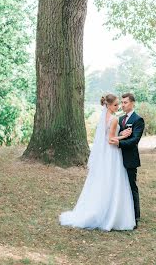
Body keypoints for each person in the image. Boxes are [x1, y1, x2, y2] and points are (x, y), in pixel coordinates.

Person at [59, 93, 136, 231]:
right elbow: (111, 140)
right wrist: (123, 135)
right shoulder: (113, 119)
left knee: (103, 180)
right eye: (115, 105)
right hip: (112, 154)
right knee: (113, 180)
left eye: (118, 104)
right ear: (108, 105)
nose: (118, 107)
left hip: (104, 154)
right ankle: (111, 214)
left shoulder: (104, 118)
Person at [109, 93, 145, 228]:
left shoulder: (138, 120)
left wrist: (119, 143)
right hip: (117, 159)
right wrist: (119, 137)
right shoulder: (120, 119)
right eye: (122, 102)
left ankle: (135, 216)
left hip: (130, 159)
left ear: (132, 103)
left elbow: (135, 140)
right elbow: (115, 135)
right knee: (120, 187)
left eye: (125, 102)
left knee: (131, 187)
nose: (123, 105)